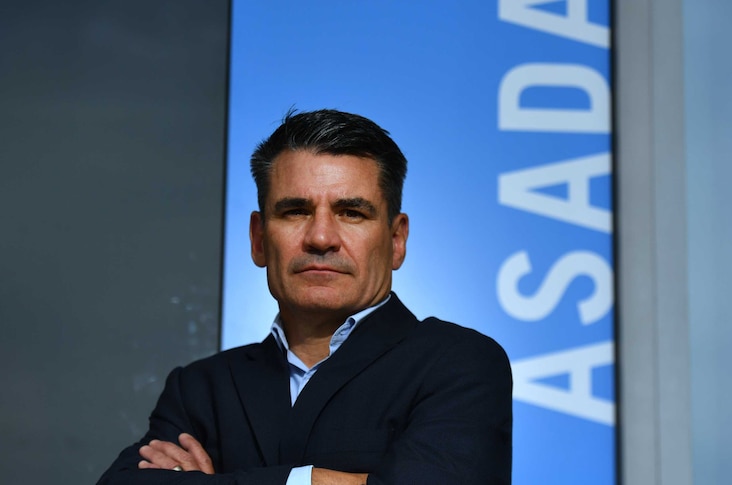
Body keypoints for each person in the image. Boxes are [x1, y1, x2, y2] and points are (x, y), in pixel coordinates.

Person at [97, 109, 513, 485]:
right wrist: (321, 480)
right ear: (259, 239)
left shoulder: (459, 364)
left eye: (352, 212)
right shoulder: (201, 388)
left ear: (396, 239)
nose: (320, 237)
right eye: (295, 211)